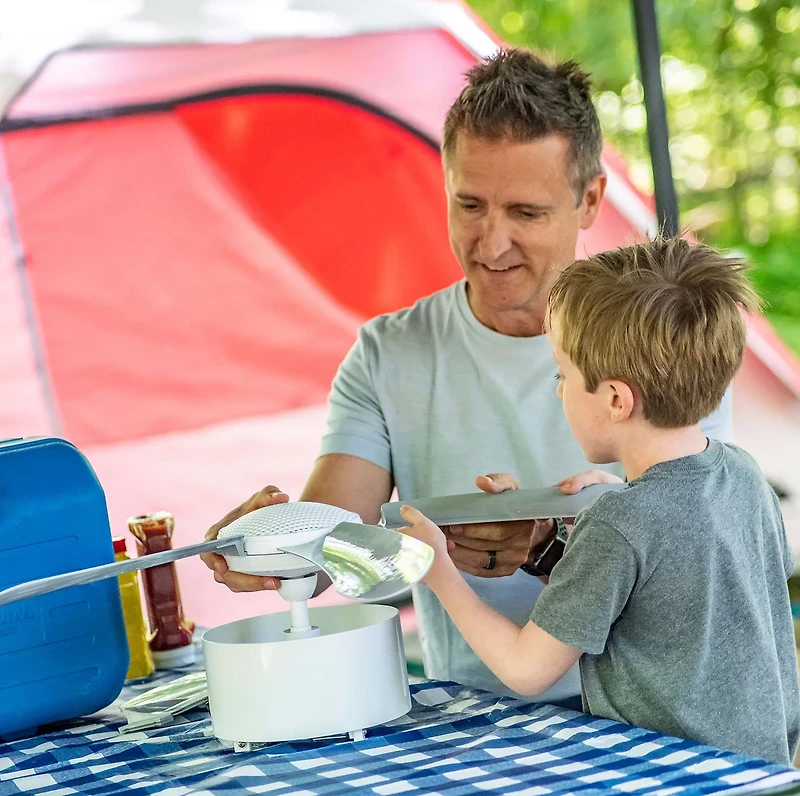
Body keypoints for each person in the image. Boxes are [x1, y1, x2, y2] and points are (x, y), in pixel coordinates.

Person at [201, 50, 732, 708]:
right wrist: (274, 544)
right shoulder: (389, 353)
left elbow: (699, 558)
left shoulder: (663, 336)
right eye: (470, 204)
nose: (492, 242)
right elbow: (333, 541)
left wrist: (553, 547)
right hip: (466, 709)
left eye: (527, 213)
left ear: (589, 199)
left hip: (642, 707)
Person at [398, 237, 800, 765]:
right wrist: (559, 545)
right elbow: (673, 582)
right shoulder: (740, 471)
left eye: (563, 375)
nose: (560, 390)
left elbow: (526, 669)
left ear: (615, 399)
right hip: (759, 767)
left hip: (669, 776)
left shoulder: (619, 522)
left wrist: (436, 570)